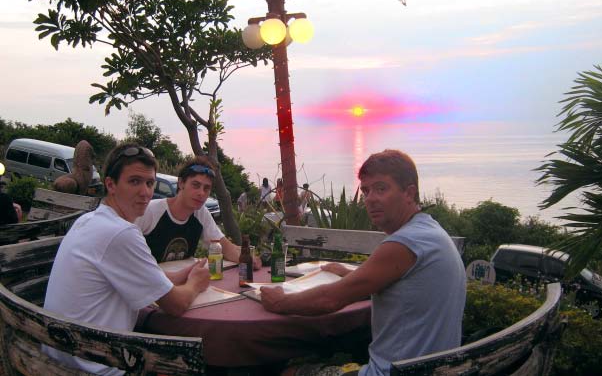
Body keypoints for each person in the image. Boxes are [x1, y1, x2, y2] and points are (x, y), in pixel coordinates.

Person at [261, 149, 466, 376]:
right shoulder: (428, 232)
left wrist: (279, 302)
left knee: (288, 371)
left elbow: (329, 300)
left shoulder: (405, 243)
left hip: (393, 373)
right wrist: (347, 273)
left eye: (381, 188)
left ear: (409, 193)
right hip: (433, 369)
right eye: (366, 191)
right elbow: (393, 282)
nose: (370, 199)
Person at [43, 143, 210, 375]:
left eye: (149, 183)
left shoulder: (89, 220)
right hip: (95, 367)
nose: (145, 192)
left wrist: (182, 275)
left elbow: (143, 275)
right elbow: (176, 305)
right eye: (134, 181)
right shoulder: (121, 233)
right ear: (110, 184)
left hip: (59, 355)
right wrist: (195, 284)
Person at [136, 157, 261, 268]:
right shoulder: (150, 211)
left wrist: (250, 260)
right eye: (195, 185)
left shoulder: (200, 213)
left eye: (206, 188)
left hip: (184, 281)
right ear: (181, 183)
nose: (201, 193)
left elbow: (225, 248)